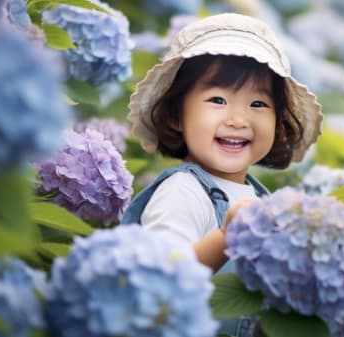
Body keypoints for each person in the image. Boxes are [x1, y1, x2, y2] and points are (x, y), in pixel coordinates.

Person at [123, 11, 322, 281]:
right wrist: (226, 238)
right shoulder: (182, 192)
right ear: (176, 115)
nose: (238, 120)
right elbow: (163, 277)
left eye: (258, 104)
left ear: (278, 125)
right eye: (218, 100)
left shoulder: (261, 199)